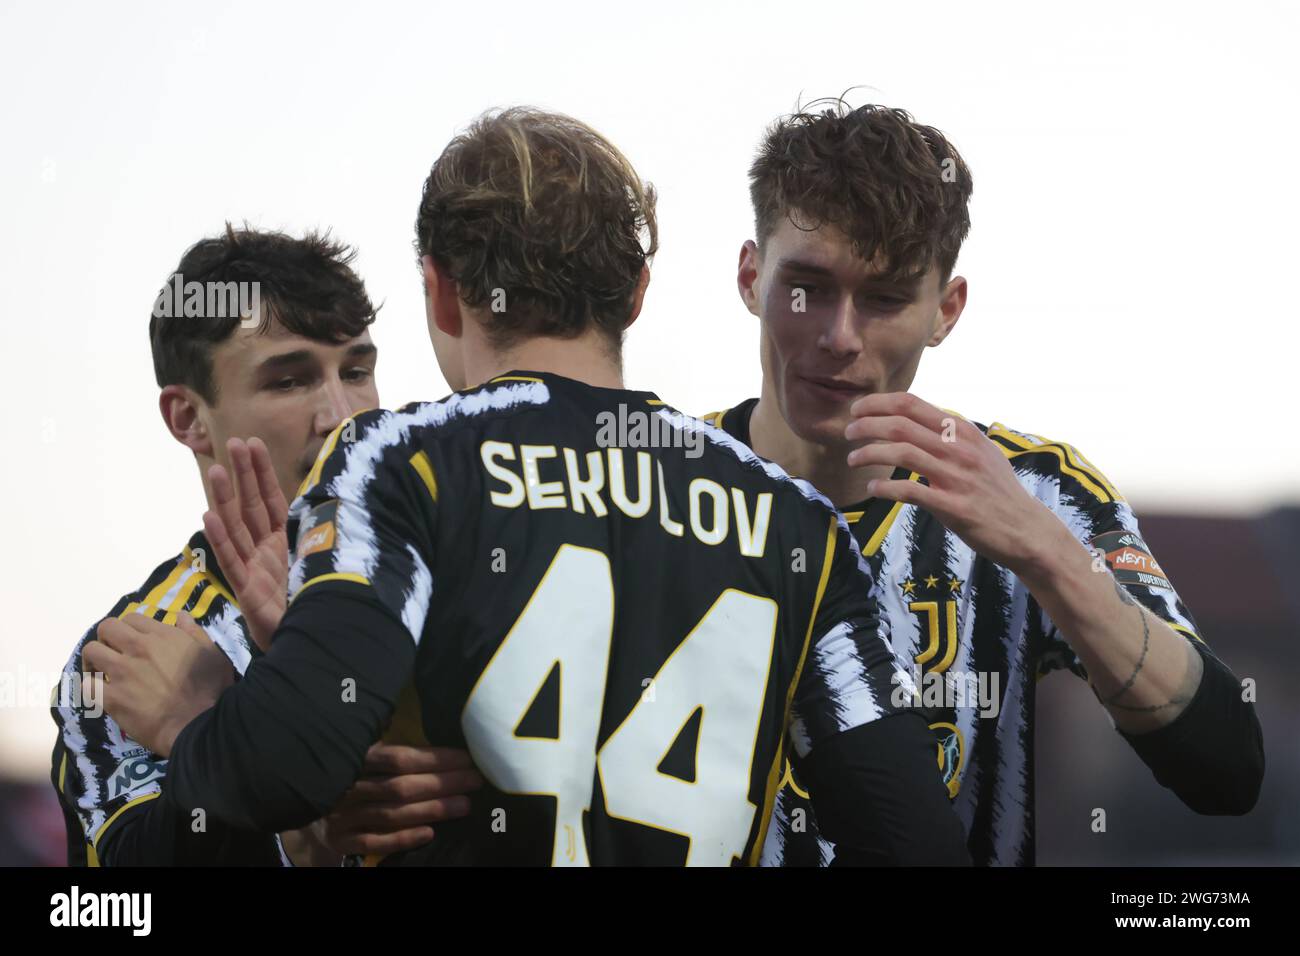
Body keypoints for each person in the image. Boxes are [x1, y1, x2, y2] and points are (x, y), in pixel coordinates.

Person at [89, 107, 971, 866]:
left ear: (440, 294)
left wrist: (195, 718)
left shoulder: (400, 459)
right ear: (634, 293)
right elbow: (919, 847)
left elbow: (282, 766)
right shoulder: (795, 522)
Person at [704, 100, 1264, 865]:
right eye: (807, 287)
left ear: (946, 310)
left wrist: (1045, 552)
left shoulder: (1038, 491)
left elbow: (1228, 768)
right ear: (749, 276)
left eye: (885, 298)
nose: (839, 336)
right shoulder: (648, 482)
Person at [52, 226, 482, 865]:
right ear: (189, 417)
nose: (343, 414)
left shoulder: (465, 568)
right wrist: (293, 828)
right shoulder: (124, 655)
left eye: (358, 371)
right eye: (289, 381)